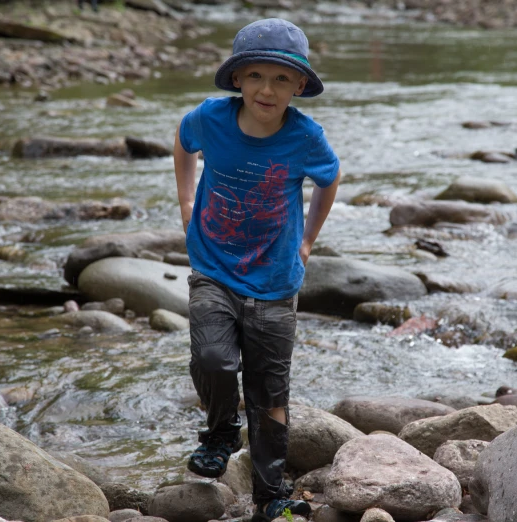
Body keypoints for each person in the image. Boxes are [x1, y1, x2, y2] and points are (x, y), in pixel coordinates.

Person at [173, 17, 342, 522]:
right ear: (238, 79)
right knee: (213, 358)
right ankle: (221, 431)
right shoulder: (211, 119)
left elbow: (328, 181)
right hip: (213, 265)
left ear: (299, 86)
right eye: (256, 77)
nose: (267, 89)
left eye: (281, 79)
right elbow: (183, 143)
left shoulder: (306, 137)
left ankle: (270, 495)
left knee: (270, 393)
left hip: (274, 280)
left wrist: (309, 239)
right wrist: (186, 202)